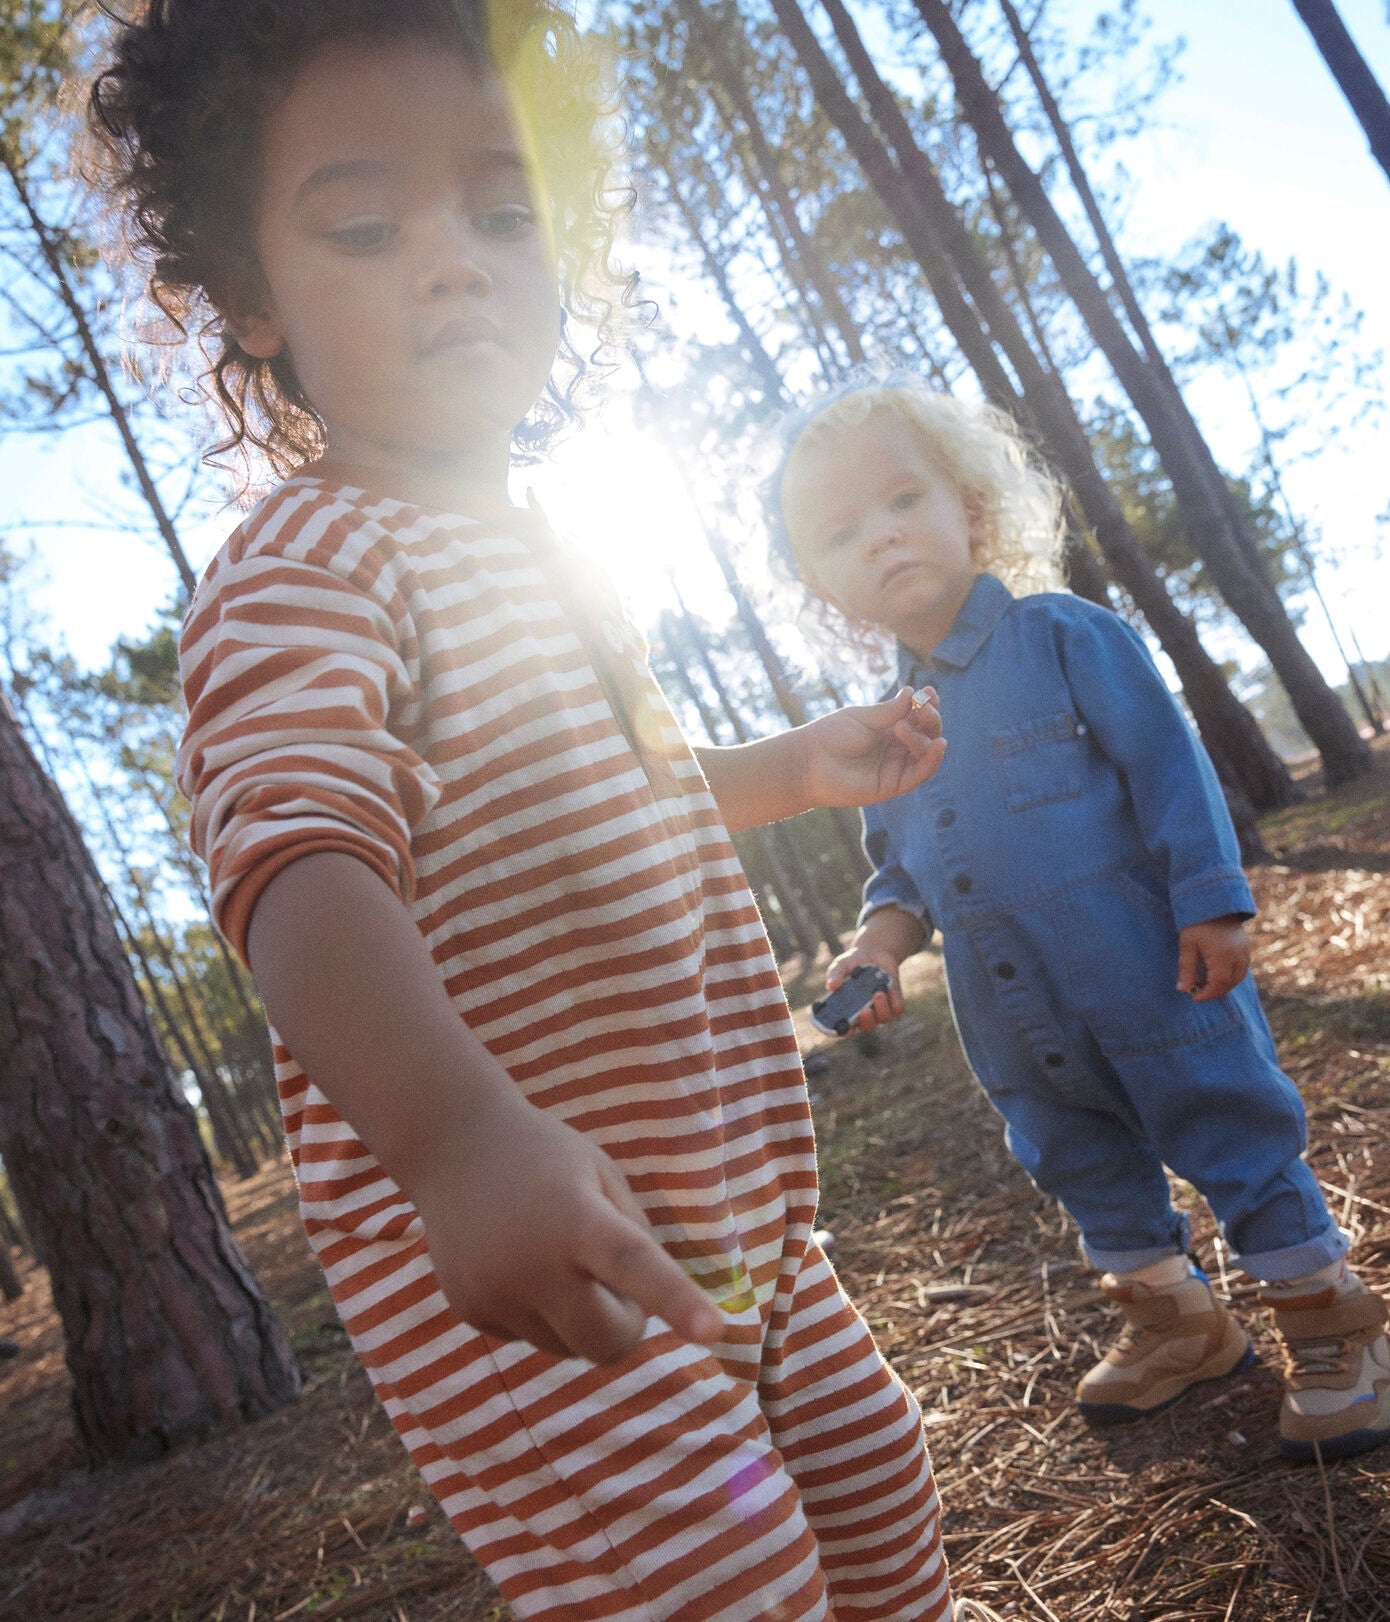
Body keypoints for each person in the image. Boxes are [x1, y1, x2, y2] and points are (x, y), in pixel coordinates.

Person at [88, 5, 966, 1617]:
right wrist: (457, 1137)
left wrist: (786, 768)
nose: (452, 261)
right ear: (249, 294)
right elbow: (296, 864)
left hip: (742, 1212)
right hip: (548, 1273)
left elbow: (609, 805)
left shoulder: (550, 561)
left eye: (503, 211)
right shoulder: (305, 572)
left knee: (876, 1493)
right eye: (364, 224)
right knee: (723, 1575)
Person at [768, 378, 1390, 1464]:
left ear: (969, 501)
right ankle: (1179, 1324)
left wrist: (1210, 898)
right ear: (823, 585)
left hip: (1153, 977)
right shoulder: (882, 728)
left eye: (902, 498)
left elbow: (1167, 764)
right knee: (1082, 1165)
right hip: (1019, 1029)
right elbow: (897, 874)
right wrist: (874, 949)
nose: (881, 536)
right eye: (840, 532)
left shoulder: (1060, 635)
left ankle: (1330, 1325)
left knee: (1230, 1128)